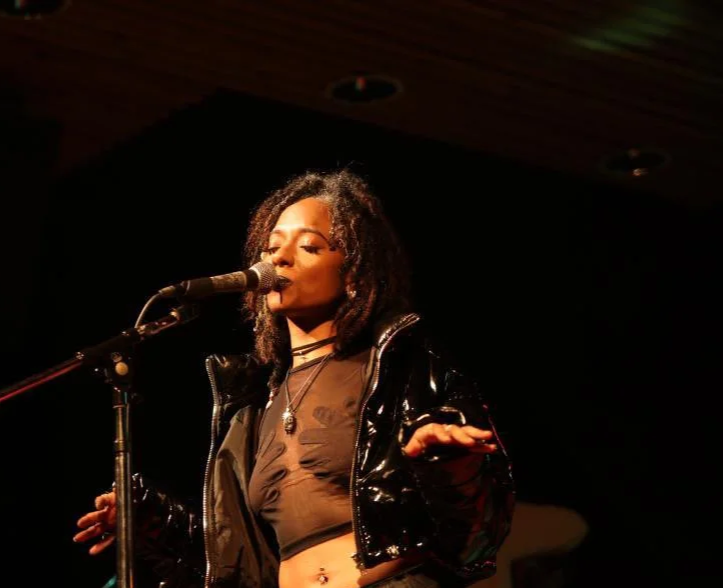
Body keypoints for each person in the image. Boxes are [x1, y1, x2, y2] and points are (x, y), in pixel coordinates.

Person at [73, 169, 515, 588]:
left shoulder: (396, 365)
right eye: (271, 247)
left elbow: (476, 530)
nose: (278, 258)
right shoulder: (253, 404)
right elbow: (237, 562)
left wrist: (452, 469)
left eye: (308, 246)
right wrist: (150, 521)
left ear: (354, 274)